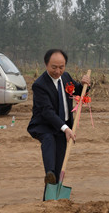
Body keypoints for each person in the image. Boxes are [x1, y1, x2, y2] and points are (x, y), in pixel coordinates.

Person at [27, 49, 91, 187]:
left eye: (61, 67)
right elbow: (47, 112)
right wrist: (65, 128)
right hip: (44, 125)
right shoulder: (40, 85)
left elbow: (78, 90)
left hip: (64, 128)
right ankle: (49, 173)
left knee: (60, 164)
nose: (57, 71)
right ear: (46, 65)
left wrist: (85, 84)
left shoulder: (66, 77)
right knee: (49, 140)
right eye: (54, 67)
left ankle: (52, 197)